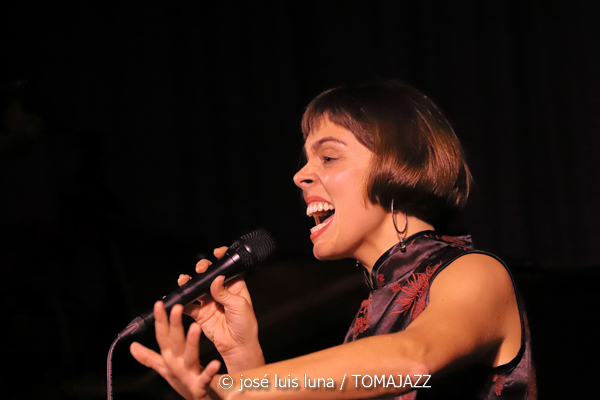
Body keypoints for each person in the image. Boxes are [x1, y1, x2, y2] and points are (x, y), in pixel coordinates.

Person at [130, 80, 536, 399]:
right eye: (307, 159)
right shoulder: (369, 316)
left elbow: (413, 361)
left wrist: (239, 387)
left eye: (328, 157)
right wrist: (242, 356)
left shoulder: (475, 272)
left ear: (399, 168)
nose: (300, 176)